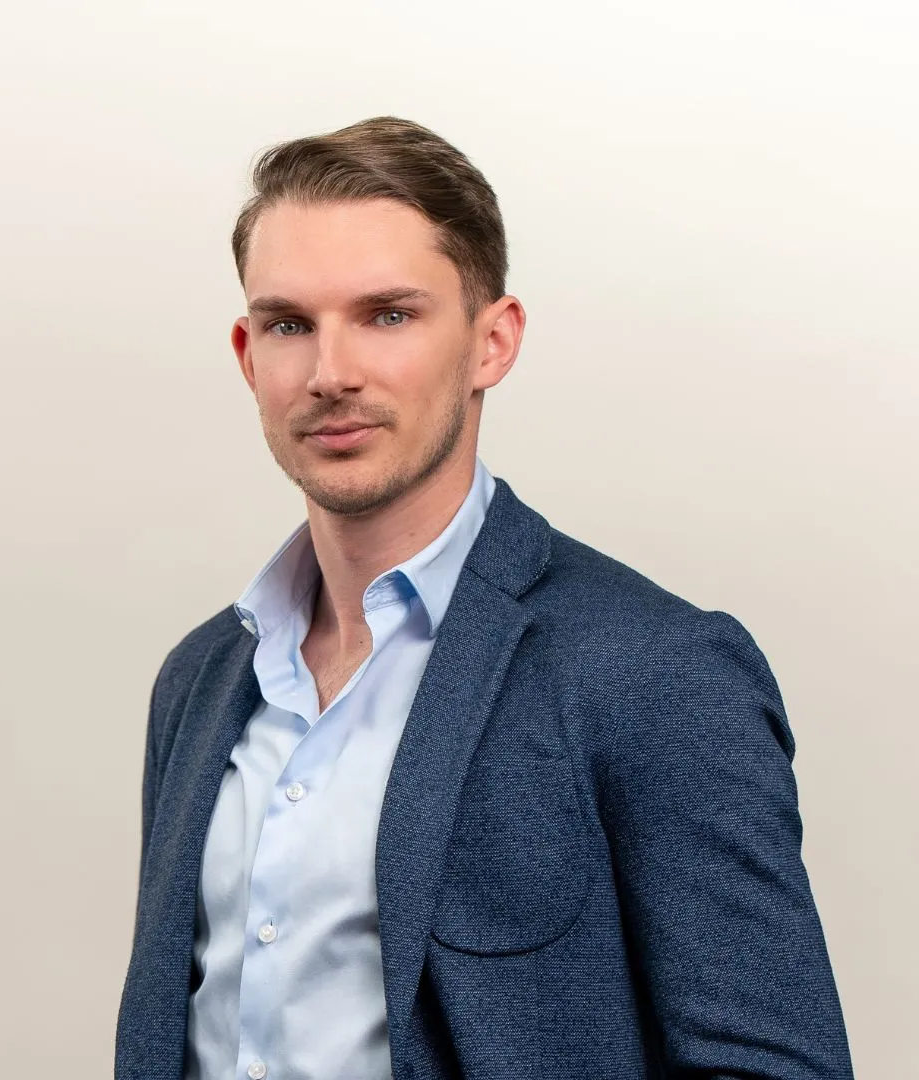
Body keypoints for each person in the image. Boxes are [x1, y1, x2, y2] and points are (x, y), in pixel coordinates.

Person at [115, 116, 853, 1080]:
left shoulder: (651, 670)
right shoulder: (203, 678)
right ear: (249, 356)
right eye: (290, 324)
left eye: (388, 314)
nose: (331, 373)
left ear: (491, 343)